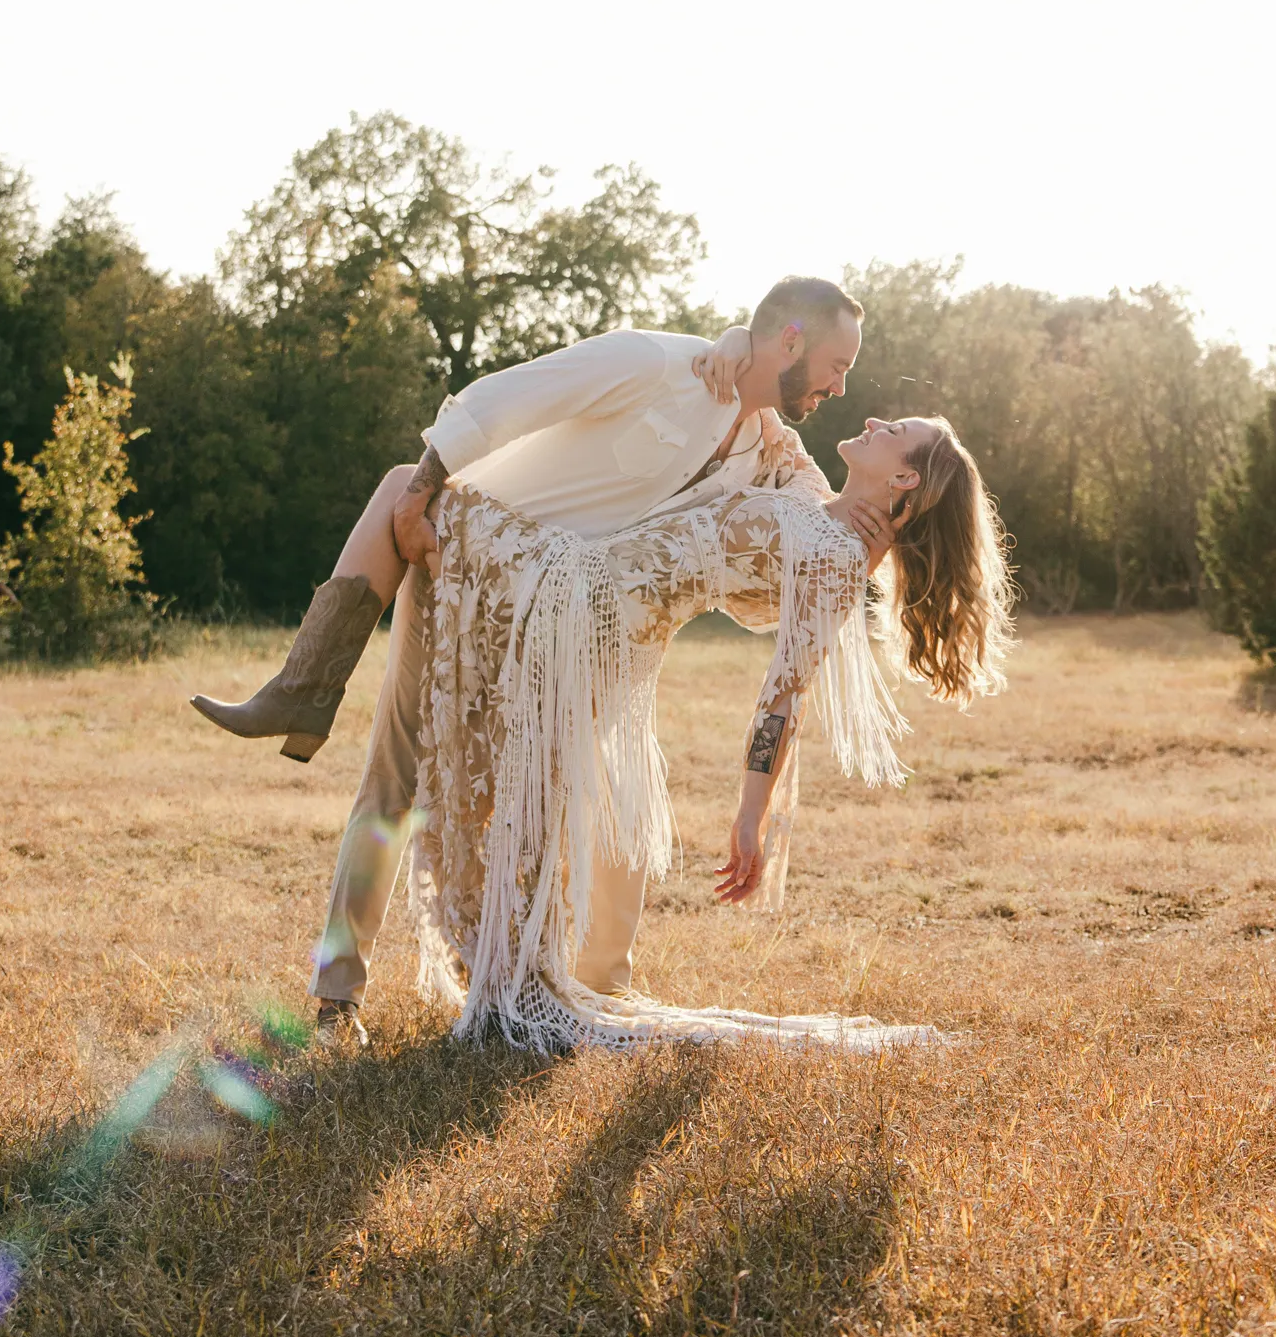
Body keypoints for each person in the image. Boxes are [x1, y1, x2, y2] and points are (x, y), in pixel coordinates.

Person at [190, 278, 888, 1040]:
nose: (841, 385)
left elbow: (832, 532)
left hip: (556, 631)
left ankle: (592, 980)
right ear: (788, 340)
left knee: (585, 789)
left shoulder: (769, 454)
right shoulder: (655, 363)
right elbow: (503, 398)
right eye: (835, 363)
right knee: (399, 770)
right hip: (464, 571)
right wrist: (420, 493)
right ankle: (336, 996)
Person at [354, 410, 1012, 1052]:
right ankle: (504, 966)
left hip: (590, 618)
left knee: (424, 494)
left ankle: (311, 682)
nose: (873, 423)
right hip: (586, 591)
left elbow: (781, 701)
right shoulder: (812, 494)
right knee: (512, 787)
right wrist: (731, 352)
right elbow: (768, 417)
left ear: (904, 482)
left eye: (893, 434)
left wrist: (750, 818)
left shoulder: (834, 562)